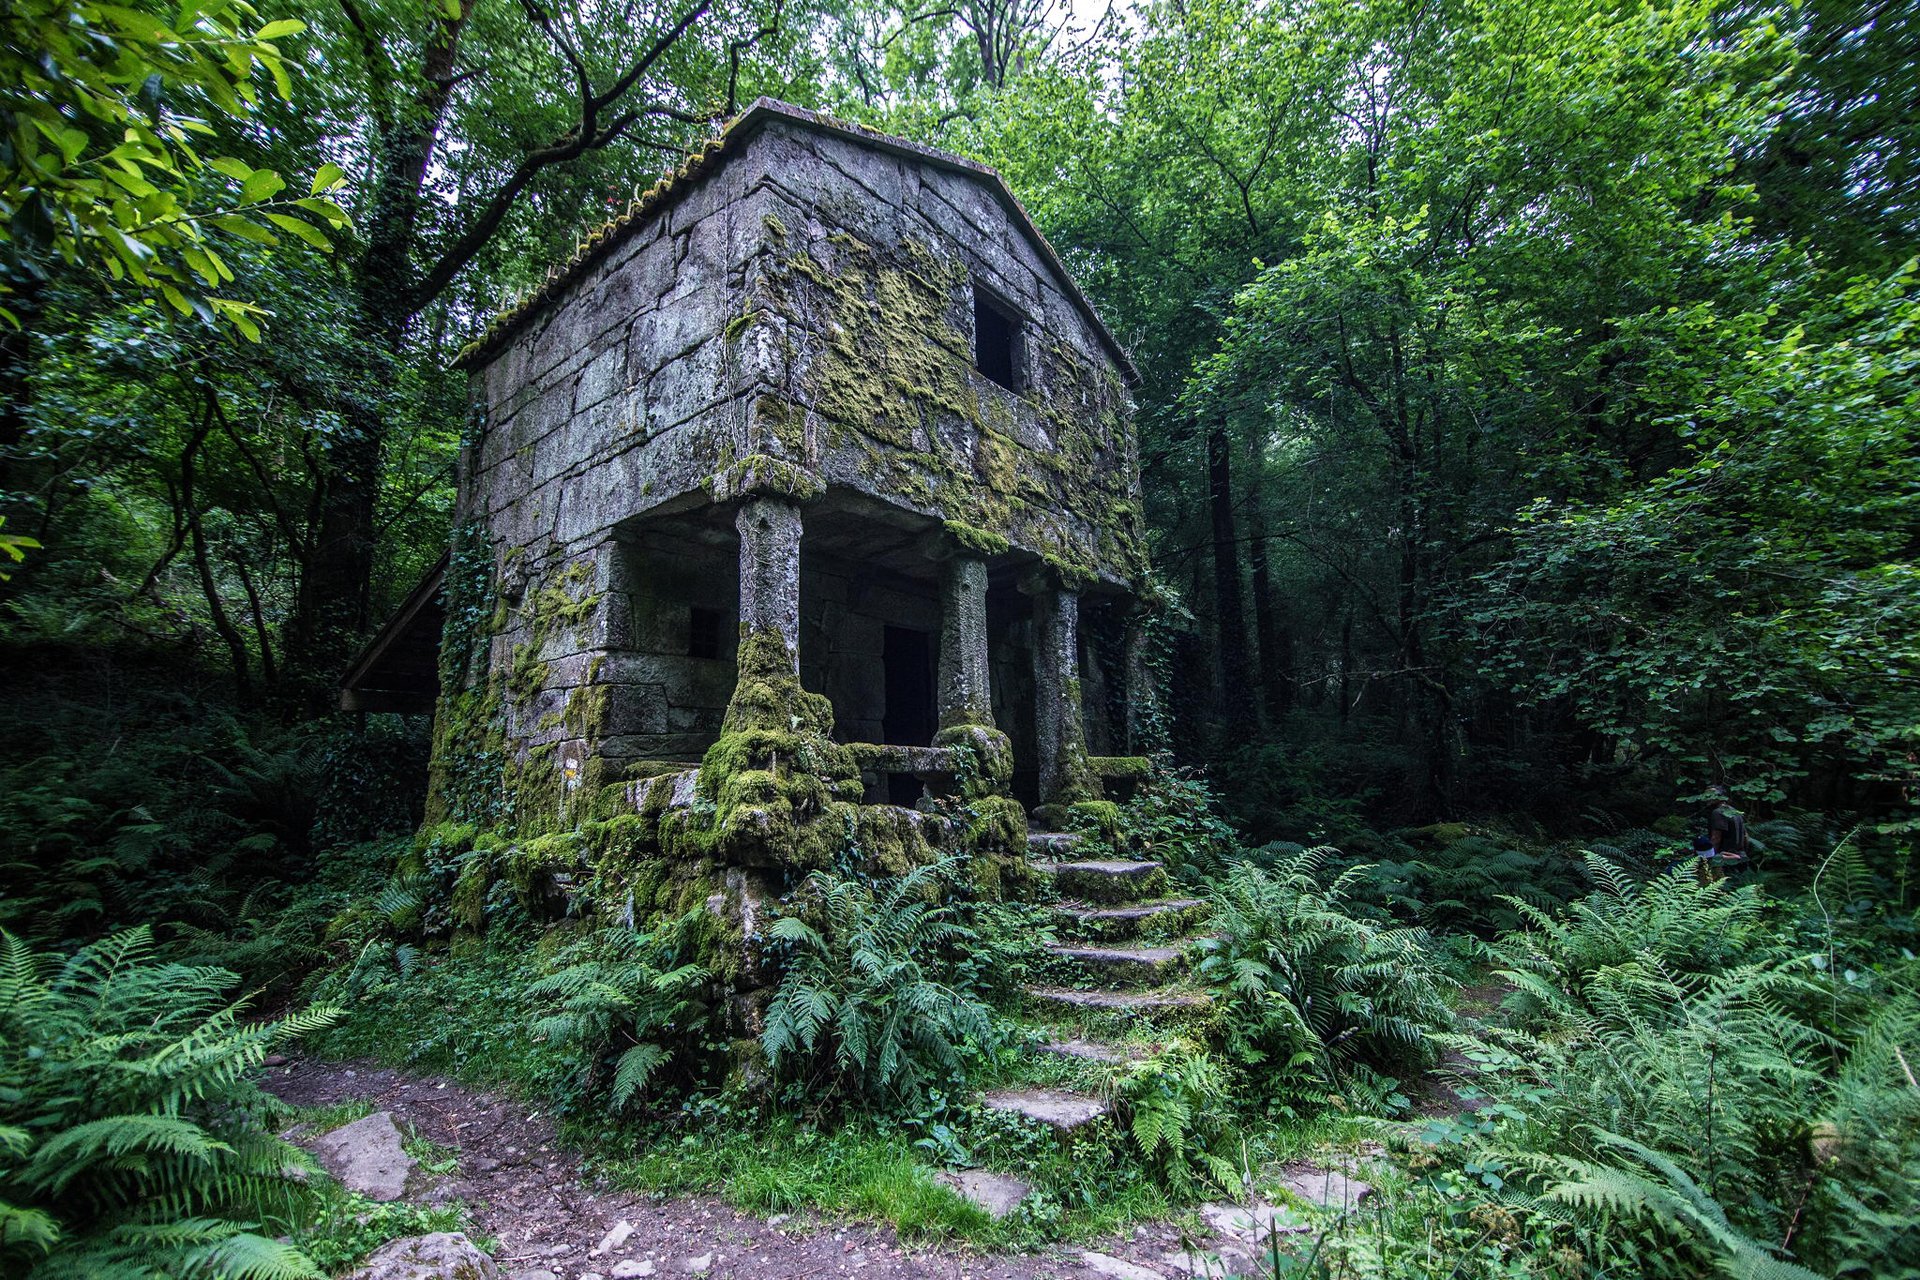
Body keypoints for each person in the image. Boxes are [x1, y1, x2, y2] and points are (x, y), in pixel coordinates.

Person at [1706, 787, 1750, 866]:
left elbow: (1716, 838)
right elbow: (1746, 836)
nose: (1707, 797)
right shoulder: (1735, 811)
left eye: (1710, 795)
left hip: (1725, 858)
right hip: (1740, 856)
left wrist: (1709, 858)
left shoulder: (1718, 812)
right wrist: (1743, 854)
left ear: (1720, 796)